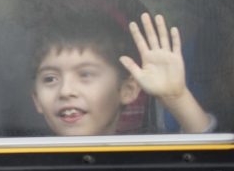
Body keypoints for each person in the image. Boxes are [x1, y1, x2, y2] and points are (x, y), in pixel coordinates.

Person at [31, 12, 213, 137]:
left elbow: (214, 163)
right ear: (37, 99)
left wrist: (176, 97)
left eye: (85, 74)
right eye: (50, 79)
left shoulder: (149, 162)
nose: (65, 91)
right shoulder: (23, 168)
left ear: (127, 90)